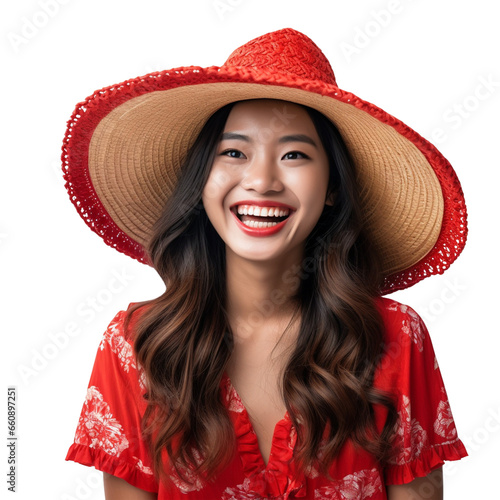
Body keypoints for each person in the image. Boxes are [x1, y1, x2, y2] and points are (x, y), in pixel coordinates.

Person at [62, 28, 468, 499]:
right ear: (202, 181)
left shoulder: (396, 338)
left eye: (294, 154)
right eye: (234, 152)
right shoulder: (136, 345)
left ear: (333, 187)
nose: (261, 180)